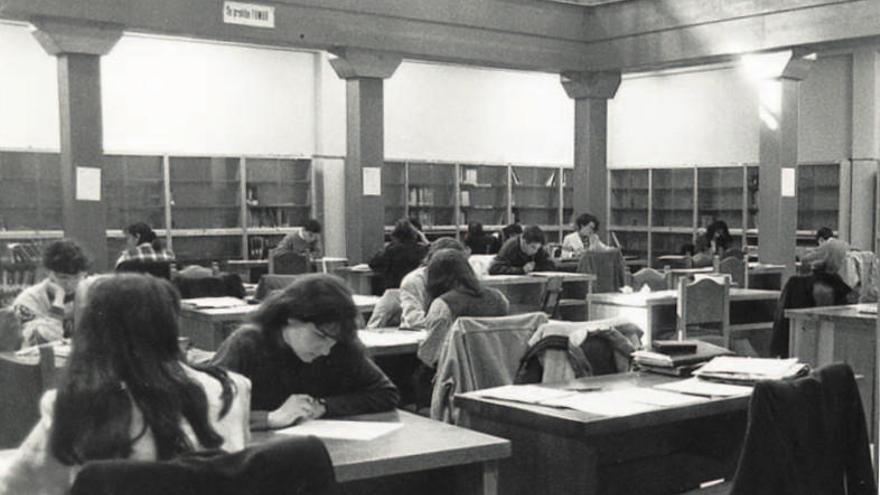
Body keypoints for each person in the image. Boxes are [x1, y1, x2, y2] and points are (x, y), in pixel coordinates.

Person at [0, 274, 251, 495]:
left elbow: (17, 489)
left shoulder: (73, 406)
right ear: (172, 327)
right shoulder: (234, 390)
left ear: (92, 330)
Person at [211, 274, 399, 430]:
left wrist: (323, 407)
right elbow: (205, 411)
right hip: (257, 458)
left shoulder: (339, 342)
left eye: (333, 342)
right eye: (319, 336)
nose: (326, 351)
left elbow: (385, 393)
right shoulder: (247, 344)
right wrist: (269, 418)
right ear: (291, 318)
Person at [417, 249, 509, 369]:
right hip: (495, 371)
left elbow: (429, 355)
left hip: (458, 376)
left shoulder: (443, 304)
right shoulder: (500, 298)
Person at [12, 239, 89, 347]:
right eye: (63, 278)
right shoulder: (28, 300)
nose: (70, 284)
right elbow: (40, 342)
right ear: (48, 272)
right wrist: (58, 300)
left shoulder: (88, 294)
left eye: (77, 277)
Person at [399, 237, 467, 330]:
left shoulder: (462, 278)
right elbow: (413, 319)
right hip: (421, 335)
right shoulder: (414, 281)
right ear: (430, 260)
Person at [369, 219, 428, 289]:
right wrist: (426, 241)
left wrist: (389, 245)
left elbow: (373, 263)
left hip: (394, 289)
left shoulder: (391, 250)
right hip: (415, 289)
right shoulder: (422, 250)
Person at [488, 225, 555, 275]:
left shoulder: (537, 247)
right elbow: (494, 268)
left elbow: (551, 265)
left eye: (538, 248)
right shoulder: (510, 246)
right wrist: (521, 270)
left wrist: (534, 268)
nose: (535, 251)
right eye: (533, 247)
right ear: (524, 241)